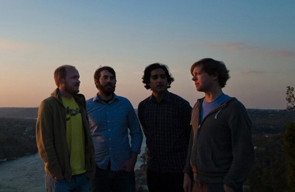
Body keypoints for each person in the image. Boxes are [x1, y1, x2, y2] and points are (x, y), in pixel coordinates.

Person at [183, 58, 254, 192]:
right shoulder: (197, 107)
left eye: (198, 74)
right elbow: (192, 142)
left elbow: (244, 151)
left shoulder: (233, 109)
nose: (193, 78)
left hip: (220, 184)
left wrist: (230, 182)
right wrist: (187, 172)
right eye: (193, 75)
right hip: (196, 183)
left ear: (214, 75)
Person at [36, 65, 96, 192]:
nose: (78, 81)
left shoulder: (80, 103)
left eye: (78, 77)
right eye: (74, 77)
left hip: (83, 174)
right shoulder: (48, 104)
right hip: (61, 178)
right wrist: (56, 171)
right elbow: (44, 141)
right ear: (61, 80)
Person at [87, 66, 142, 192]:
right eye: (105, 77)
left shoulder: (125, 104)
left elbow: (136, 132)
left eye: (112, 78)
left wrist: (133, 160)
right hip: (98, 170)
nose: (109, 81)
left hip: (123, 169)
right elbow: (82, 136)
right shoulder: (87, 106)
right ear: (96, 81)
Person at [137, 63, 191, 192]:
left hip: (178, 169)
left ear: (168, 80)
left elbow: (192, 137)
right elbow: (147, 132)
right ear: (148, 82)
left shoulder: (181, 105)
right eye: (155, 77)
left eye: (162, 77)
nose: (159, 80)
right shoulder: (143, 106)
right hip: (154, 169)